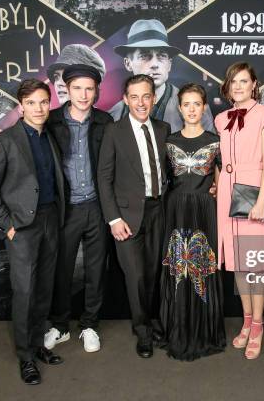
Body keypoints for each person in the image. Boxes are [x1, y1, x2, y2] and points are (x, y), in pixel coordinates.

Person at [0, 79, 65, 385]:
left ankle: (38, 345)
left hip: (51, 219)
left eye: (43, 102)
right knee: (25, 292)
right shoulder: (6, 140)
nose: (39, 108)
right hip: (22, 227)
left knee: (43, 290)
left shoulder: (49, 135)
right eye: (31, 103)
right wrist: (7, 224)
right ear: (21, 106)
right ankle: (26, 357)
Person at [98, 74, 170, 358]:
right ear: (125, 99)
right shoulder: (114, 132)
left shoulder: (163, 129)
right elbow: (104, 179)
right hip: (127, 217)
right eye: (134, 97)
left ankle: (152, 322)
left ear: (154, 98)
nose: (141, 102)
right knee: (136, 276)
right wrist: (113, 219)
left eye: (146, 96)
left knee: (153, 273)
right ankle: (142, 331)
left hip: (158, 212)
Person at [43, 64, 113, 353]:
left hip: (97, 206)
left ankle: (89, 325)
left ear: (96, 91)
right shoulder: (51, 121)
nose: (83, 94)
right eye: (77, 88)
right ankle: (59, 326)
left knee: (96, 269)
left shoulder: (105, 121)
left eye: (89, 88)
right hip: (65, 208)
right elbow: (23, 143)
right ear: (66, 89)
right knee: (62, 269)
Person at [215, 62, 264, 360]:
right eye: (233, 82)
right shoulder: (220, 119)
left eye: (244, 81)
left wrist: (262, 201)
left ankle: (258, 325)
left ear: (254, 84)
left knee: (255, 263)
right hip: (228, 192)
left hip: (254, 190)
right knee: (239, 264)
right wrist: (217, 185)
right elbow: (222, 161)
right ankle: (246, 319)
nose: (238, 86)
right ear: (228, 87)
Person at [159, 83, 226, 361]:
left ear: (204, 106)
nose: (191, 109)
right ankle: (179, 326)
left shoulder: (216, 140)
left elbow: (222, 180)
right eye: (186, 104)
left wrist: (215, 191)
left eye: (196, 104)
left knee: (201, 266)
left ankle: (203, 330)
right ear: (179, 107)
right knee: (178, 267)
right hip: (175, 210)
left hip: (205, 209)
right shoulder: (168, 141)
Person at [109, 19, 215, 134]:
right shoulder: (114, 114)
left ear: (169, 64)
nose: (155, 64)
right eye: (144, 56)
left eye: (162, 56)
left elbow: (209, 148)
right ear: (128, 63)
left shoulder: (195, 108)